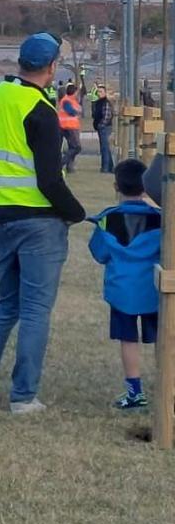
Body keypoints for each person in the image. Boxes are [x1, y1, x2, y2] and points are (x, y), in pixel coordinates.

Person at [0, 32, 87, 415]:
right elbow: (50, 180)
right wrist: (77, 213)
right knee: (35, 310)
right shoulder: (40, 109)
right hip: (39, 222)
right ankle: (24, 397)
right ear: (51, 67)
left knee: (7, 306)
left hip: (1, 219)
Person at [88, 158, 161, 413]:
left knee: (128, 340)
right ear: (147, 187)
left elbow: (99, 253)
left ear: (115, 186)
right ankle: (167, 388)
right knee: (163, 340)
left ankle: (135, 393)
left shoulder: (108, 220)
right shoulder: (161, 219)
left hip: (122, 293)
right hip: (154, 291)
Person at [57, 81, 83, 173]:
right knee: (76, 147)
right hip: (68, 127)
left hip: (67, 126)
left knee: (72, 147)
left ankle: (69, 167)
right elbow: (71, 112)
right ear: (74, 92)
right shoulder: (67, 100)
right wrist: (78, 111)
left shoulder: (70, 100)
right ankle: (61, 163)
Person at [92, 84, 116, 174]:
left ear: (105, 93)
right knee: (105, 148)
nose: (99, 93)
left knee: (104, 148)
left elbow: (107, 115)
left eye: (101, 91)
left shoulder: (105, 102)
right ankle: (110, 167)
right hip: (100, 127)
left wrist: (101, 125)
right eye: (98, 91)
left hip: (105, 127)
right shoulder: (98, 102)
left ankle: (105, 168)